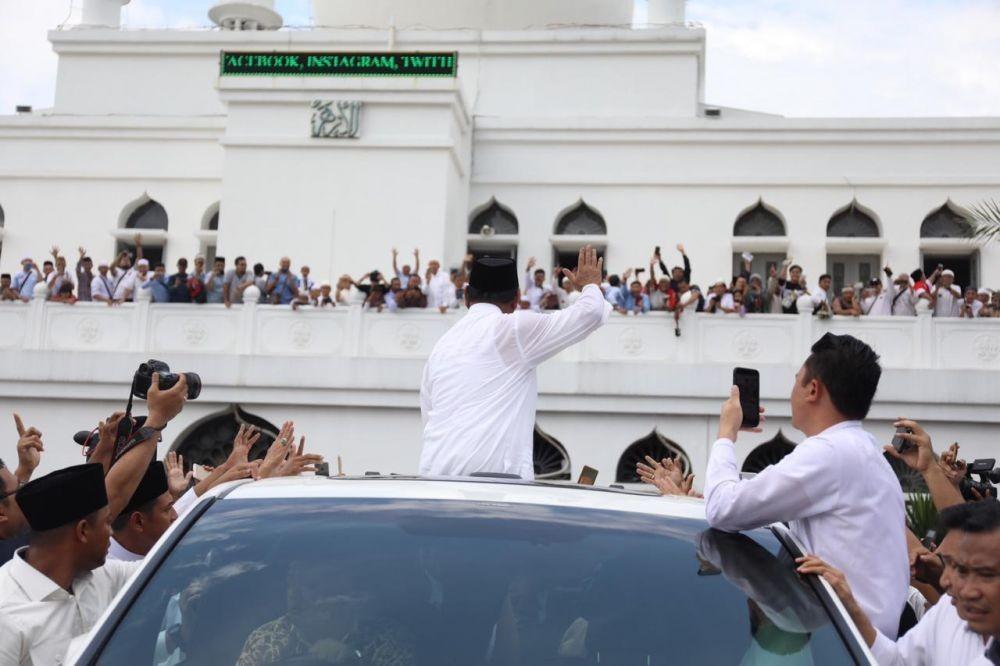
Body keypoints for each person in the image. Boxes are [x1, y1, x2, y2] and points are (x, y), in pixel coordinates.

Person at [701, 333, 909, 638]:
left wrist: (726, 434)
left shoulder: (830, 453)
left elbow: (722, 509)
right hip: (857, 640)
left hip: (847, 643)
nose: (791, 393)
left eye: (796, 380)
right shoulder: (860, 448)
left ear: (813, 389)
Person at [0, 375, 189, 664]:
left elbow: (182, 565)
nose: (112, 530)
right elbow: (115, 493)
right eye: (107, 522)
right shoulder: (7, 612)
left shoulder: (101, 578)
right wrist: (155, 422)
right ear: (84, 531)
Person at [420, 247, 610, 479]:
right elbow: (590, 313)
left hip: (433, 480)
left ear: (467, 295)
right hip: (492, 489)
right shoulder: (512, 330)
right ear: (517, 300)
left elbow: (430, 417)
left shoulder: (442, 347)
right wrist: (589, 285)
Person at [797, 500, 1000, 665]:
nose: (948, 582)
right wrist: (850, 607)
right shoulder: (949, 611)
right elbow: (897, 662)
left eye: (985, 574)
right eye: (951, 565)